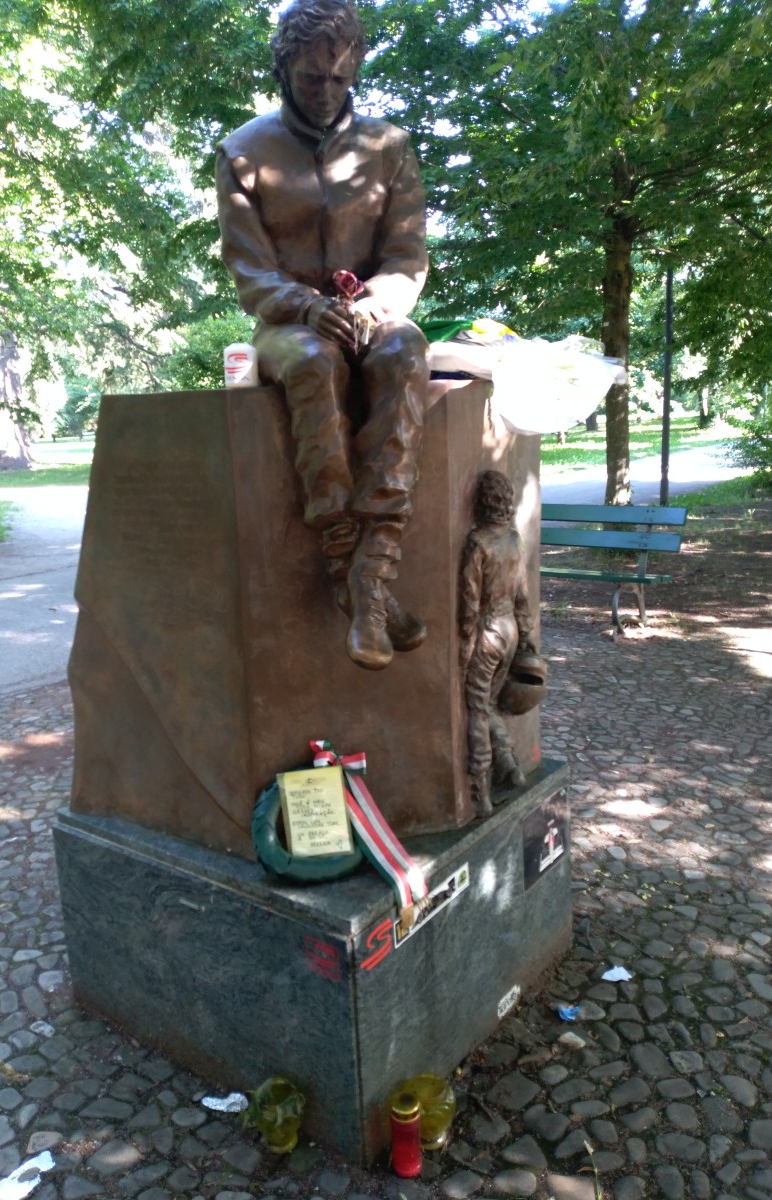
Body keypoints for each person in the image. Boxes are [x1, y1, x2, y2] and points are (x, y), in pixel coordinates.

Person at [215, 0, 430, 671]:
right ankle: (349, 568)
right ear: (284, 68)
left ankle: (374, 570)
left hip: (371, 314)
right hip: (288, 327)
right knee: (312, 364)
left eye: (341, 79)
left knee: (406, 350)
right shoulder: (243, 152)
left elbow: (407, 257)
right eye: (313, 78)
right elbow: (250, 271)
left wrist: (376, 303)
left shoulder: (388, 148)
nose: (328, 90)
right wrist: (305, 308)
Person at [459, 471, 537, 816]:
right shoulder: (515, 541)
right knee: (488, 704)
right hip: (510, 632)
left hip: (488, 631)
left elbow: (469, 601)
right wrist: (527, 634)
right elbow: (522, 595)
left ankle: (480, 792)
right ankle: (508, 764)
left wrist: (466, 640)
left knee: (477, 708)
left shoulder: (478, 542)